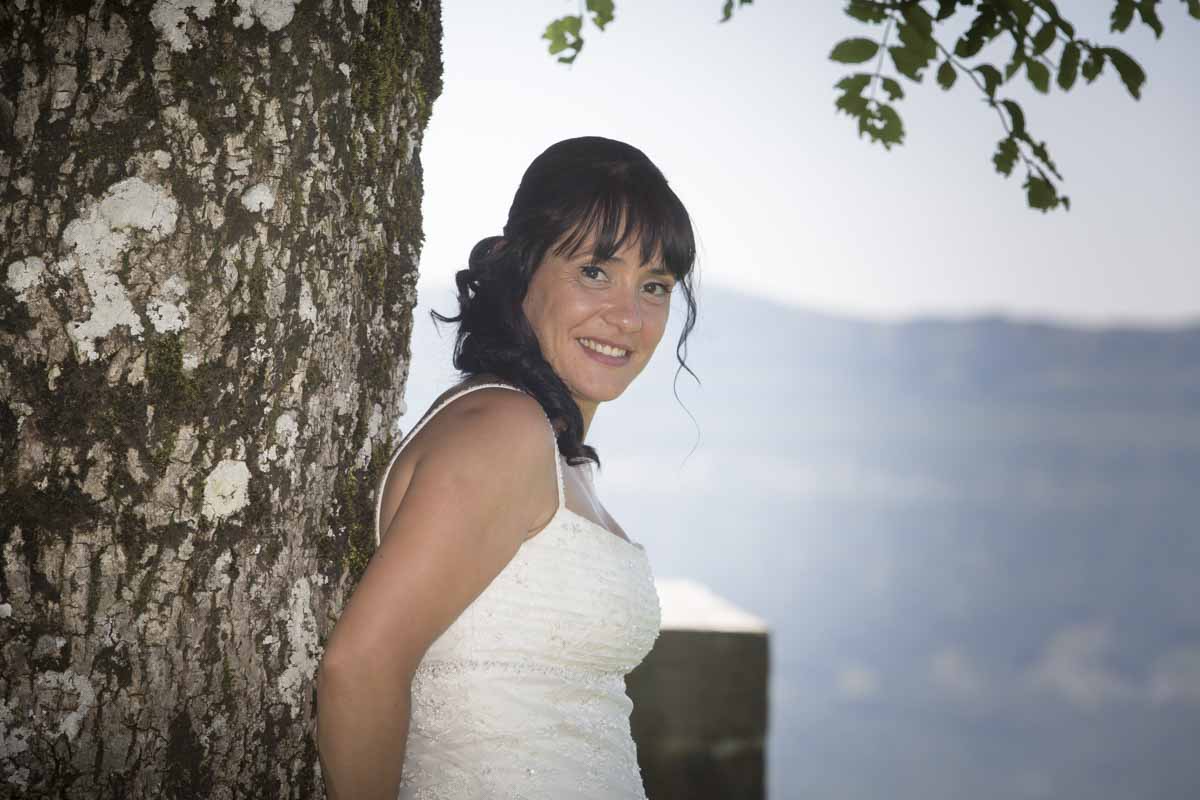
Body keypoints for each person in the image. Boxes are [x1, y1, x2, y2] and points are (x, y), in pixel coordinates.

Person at [315, 136, 699, 799]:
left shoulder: (554, 453)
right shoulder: (502, 430)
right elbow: (361, 666)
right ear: (521, 269)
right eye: (595, 272)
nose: (628, 316)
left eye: (655, 286)